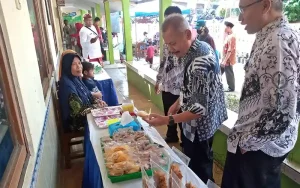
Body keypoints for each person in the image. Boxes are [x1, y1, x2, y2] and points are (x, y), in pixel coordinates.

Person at [221, 0, 300, 187]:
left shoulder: (277, 41)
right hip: (259, 145)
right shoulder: (272, 34)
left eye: (243, 9)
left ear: (265, 5)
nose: (240, 18)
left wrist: (248, 143)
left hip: (259, 150)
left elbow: (282, 110)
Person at [145, 14, 227, 183]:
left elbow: (198, 110)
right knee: (194, 162)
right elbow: (189, 85)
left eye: (173, 43)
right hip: (197, 119)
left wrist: (167, 119)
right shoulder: (192, 49)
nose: (171, 49)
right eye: (167, 44)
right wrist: (178, 102)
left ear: (188, 35)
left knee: (199, 169)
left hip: (201, 125)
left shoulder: (199, 59)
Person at [155, 6, 184, 144]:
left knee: (183, 116)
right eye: (167, 19)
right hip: (167, 84)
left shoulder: (186, 40)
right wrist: (158, 80)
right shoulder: (167, 40)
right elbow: (163, 61)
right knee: (168, 112)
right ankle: (172, 136)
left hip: (181, 86)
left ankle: (185, 141)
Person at [58, 52, 97, 133]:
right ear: (68, 66)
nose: (78, 66)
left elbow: (88, 95)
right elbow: (78, 112)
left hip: (85, 116)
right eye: (74, 64)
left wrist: (97, 102)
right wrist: (96, 108)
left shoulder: (75, 78)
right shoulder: (67, 85)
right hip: (76, 123)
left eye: (79, 63)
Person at [221, 21, 236, 92]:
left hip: (228, 59)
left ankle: (231, 88)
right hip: (225, 58)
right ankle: (215, 83)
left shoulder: (232, 37)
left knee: (229, 73)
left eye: (226, 27)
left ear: (229, 27)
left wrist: (225, 60)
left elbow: (230, 50)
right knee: (220, 71)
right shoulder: (228, 36)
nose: (225, 28)